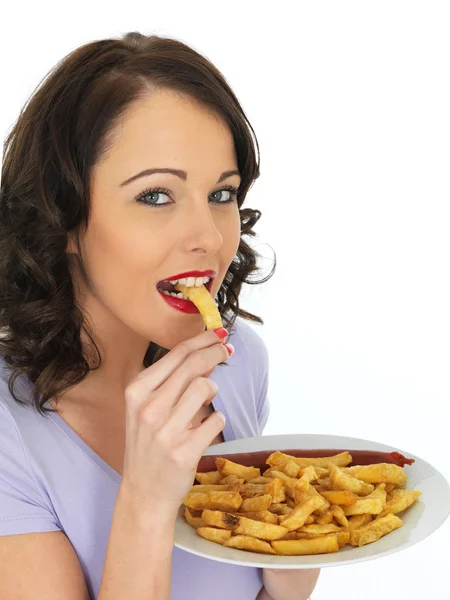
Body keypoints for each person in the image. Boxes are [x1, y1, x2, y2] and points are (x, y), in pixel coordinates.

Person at [0, 32, 321, 600]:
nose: (207, 237)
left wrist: (291, 579)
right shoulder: (8, 431)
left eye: (221, 195)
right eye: (156, 196)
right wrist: (146, 504)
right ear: (64, 216)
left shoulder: (237, 361)